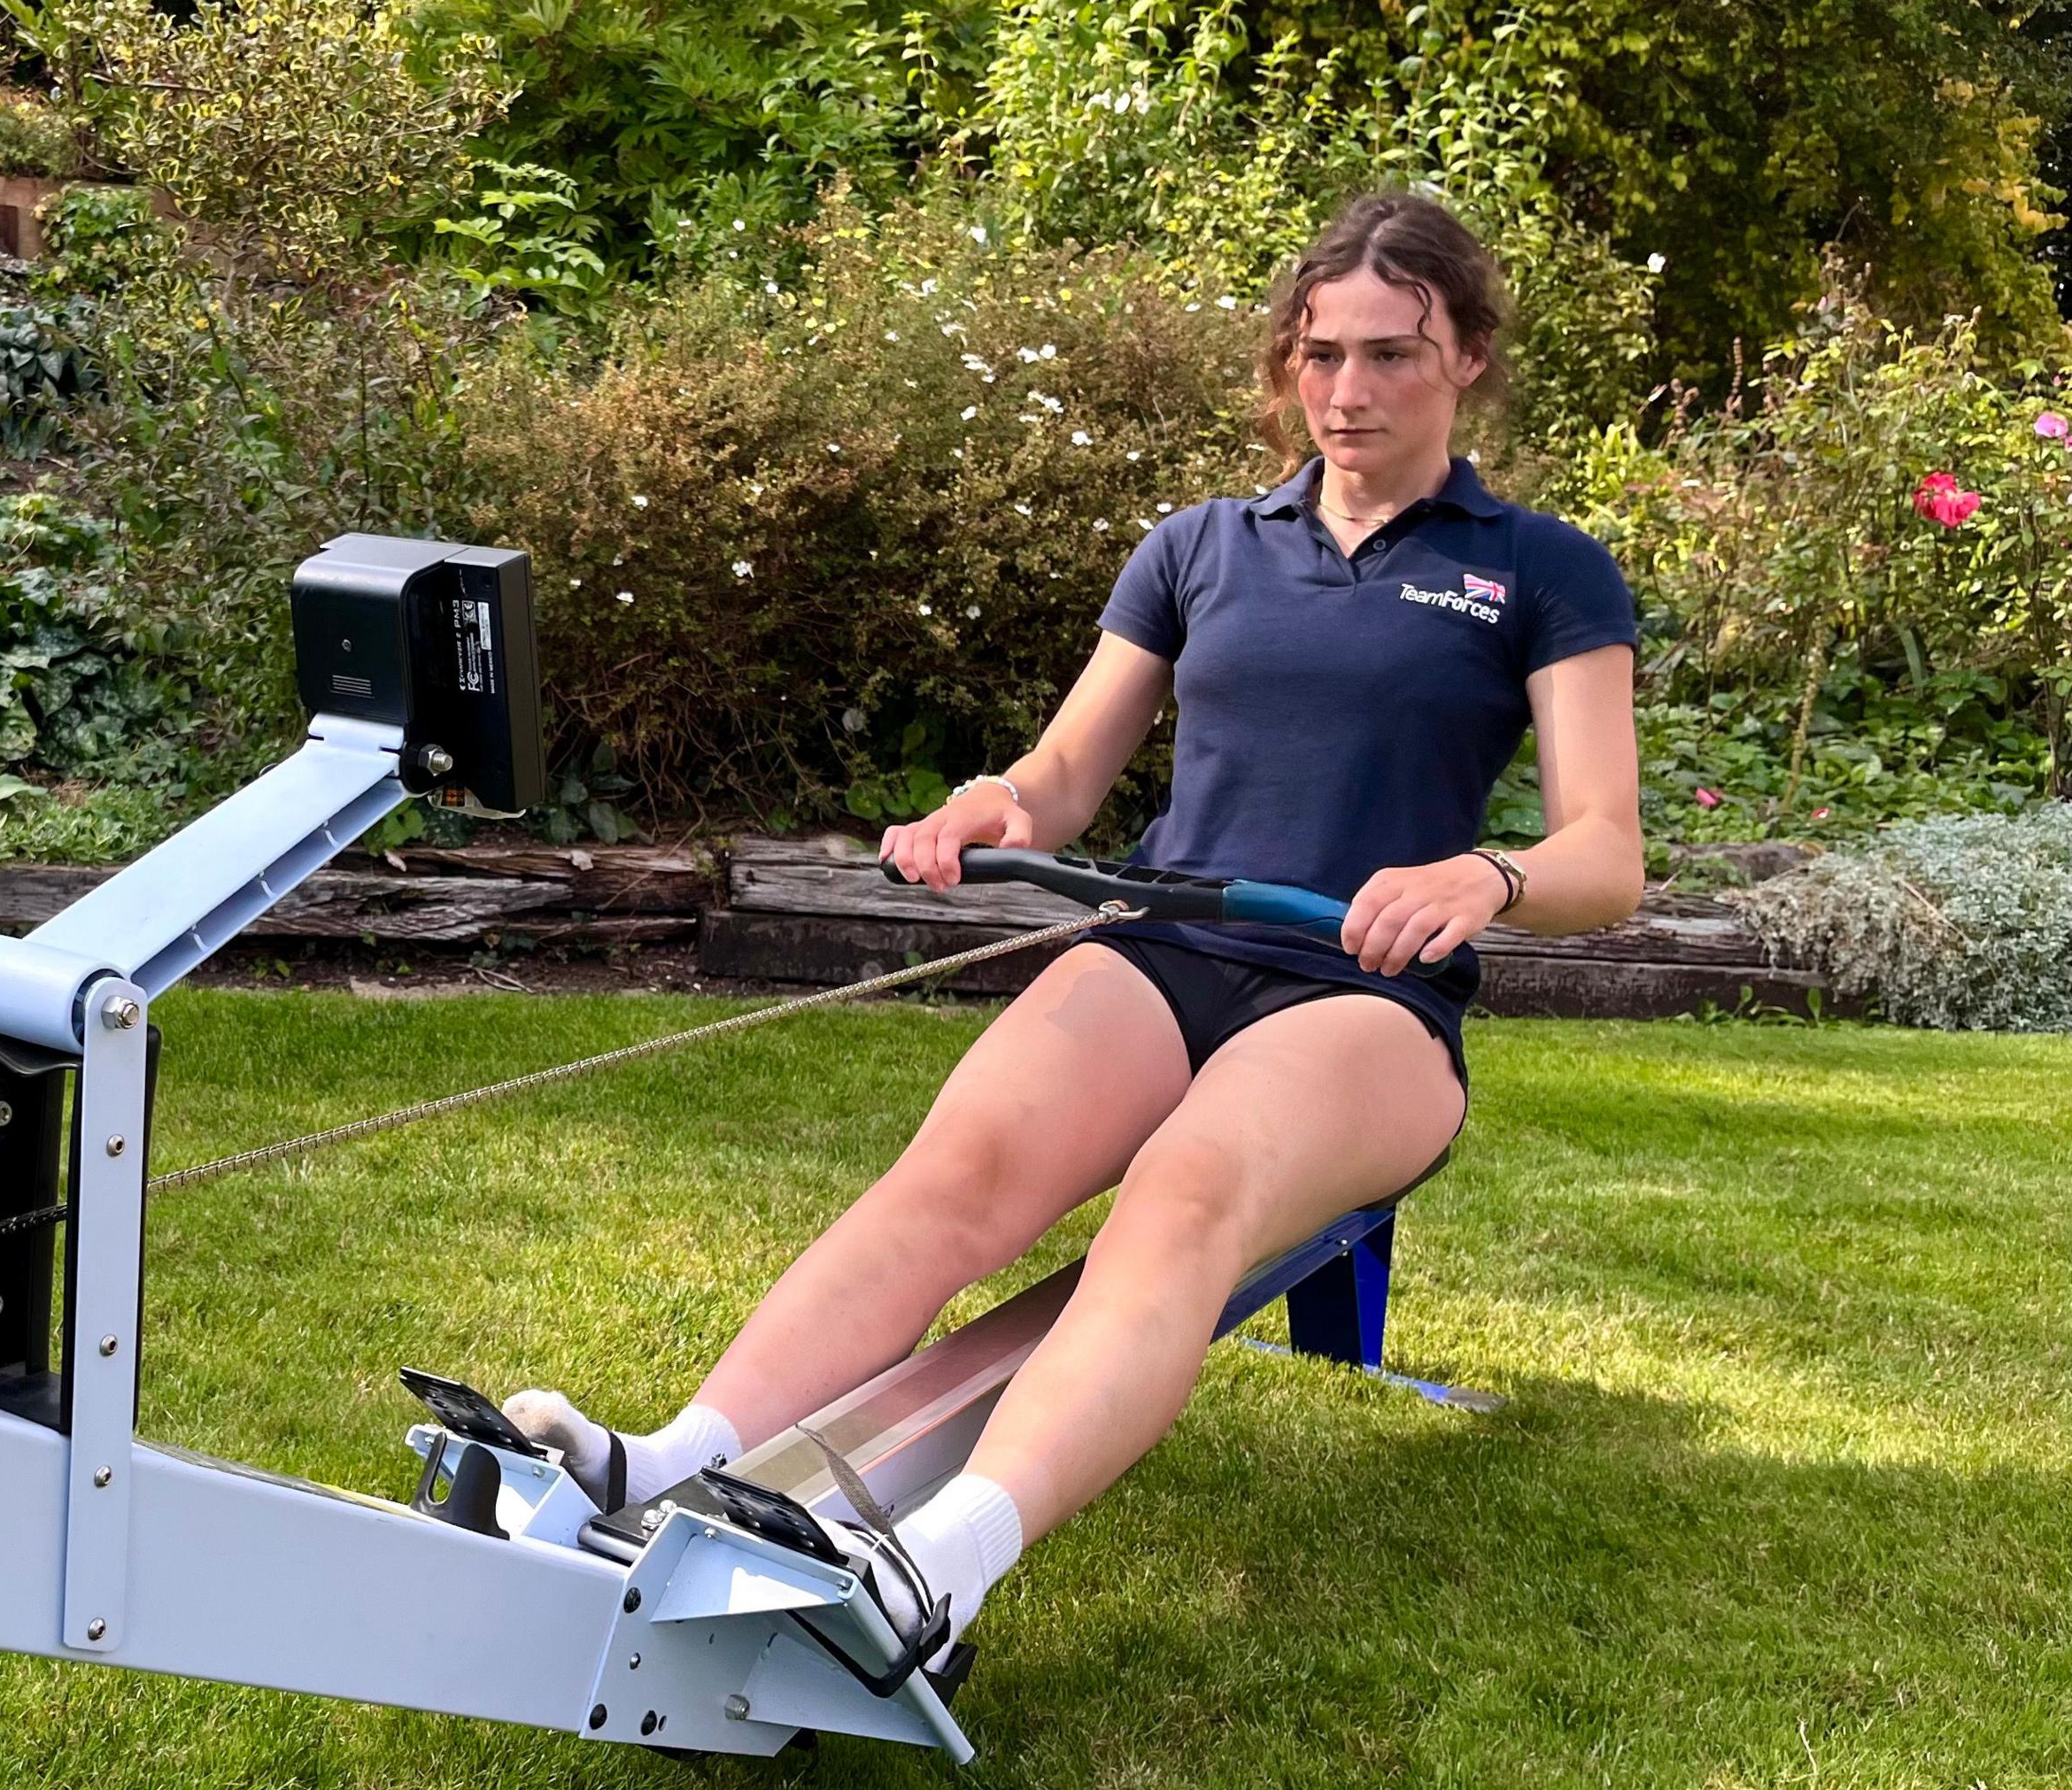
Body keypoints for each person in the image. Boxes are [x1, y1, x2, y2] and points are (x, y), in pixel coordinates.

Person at [506, 192, 1644, 1647]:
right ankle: (663, 1462)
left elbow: (1606, 852)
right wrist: (996, 806)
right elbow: (1058, 777)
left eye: (1391, 357)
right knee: (957, 1170)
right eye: (1320, 354)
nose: (1348, 394)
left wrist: (1487, 878)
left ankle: (938, 1565)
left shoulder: (1540, 571)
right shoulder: (1200, 548)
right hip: (1165, 942)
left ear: (1469, 357)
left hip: (1366, 996)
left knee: (1184, 1195)